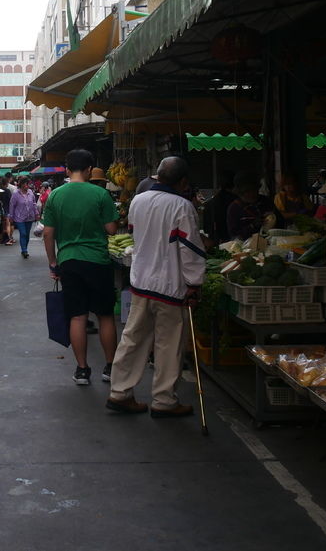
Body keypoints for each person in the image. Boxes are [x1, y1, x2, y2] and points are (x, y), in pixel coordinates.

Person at [106, 157, 204, 417]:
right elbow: (190, 249)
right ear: (183, 182)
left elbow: (137, 234)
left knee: (133, 338)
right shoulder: (182, 207)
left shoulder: (138, 201)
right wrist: (194, 283)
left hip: (141, 282)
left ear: (158, 176)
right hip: (170, 286)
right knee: (168, 344)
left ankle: (119, 392)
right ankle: (164, 400)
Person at [43, 149, 119, 386]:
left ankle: (83, 370)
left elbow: (47, 232)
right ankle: (110, 368)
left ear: (67, 169)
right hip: (98, 260)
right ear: (89, 170)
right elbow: (112, 230)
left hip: (69, 261)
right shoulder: (100, 194)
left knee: (77, 317)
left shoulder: (55, 195)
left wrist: (52, 262)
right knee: (105, 316)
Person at [226, 172, 276, 240]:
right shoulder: (234, 208)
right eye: (247, 191)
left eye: (254, 190)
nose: (252, 194)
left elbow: (282, 224)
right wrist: (252, 226)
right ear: (240, 193)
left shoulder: (266, 201)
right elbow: (234, 237)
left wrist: (273, 218)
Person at [201, 169, 235, 245]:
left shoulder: (210, 203)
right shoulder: (236, 202)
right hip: (234, 242)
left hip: (214, 242)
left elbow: (206, 228)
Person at [9, 177, 38, 259]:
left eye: (28, 184)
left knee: (27, 235)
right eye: (26, 184)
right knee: (23, 233)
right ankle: (24, 250)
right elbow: (12, 205)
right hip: (19, 217)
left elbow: (34, 203)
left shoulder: (30, 192)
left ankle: (24, 249)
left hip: (30, 217)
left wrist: (36, 213)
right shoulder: (16, 194)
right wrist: (11, 216)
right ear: (21, 184)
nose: (27, 186)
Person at [0, 176, 15, 245]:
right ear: (6, 183)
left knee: (0, 225)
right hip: (6, 209)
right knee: (7, 225)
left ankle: (1, 238)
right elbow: (11, 201)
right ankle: (8, 239)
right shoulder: (7, 191)